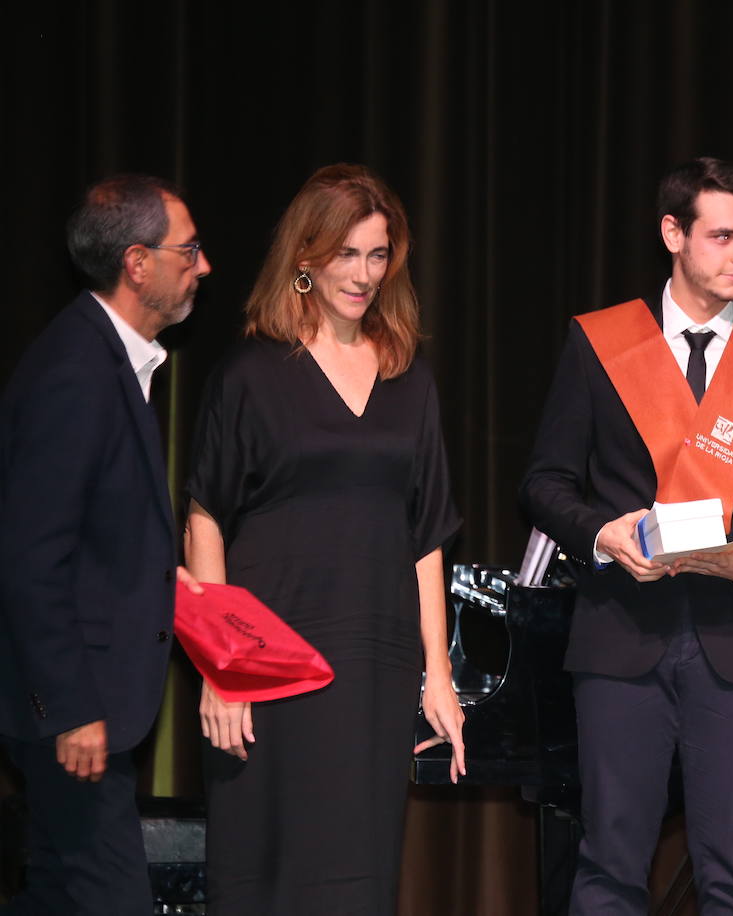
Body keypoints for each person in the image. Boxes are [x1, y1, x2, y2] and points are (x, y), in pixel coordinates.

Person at [520, 156, 733, 914]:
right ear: (673, 233)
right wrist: (603, 534)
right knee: (608, 868)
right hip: (619, 640)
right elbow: (543, 484)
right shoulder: (599, 343)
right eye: (723, 236)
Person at [183, 163, 464, 914]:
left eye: (378, 255)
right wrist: (222, 667)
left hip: (375, 662)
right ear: (304, 258)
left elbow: (427, 534)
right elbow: (205, 517)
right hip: (268, 657)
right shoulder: (251, 371)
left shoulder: (411, 378)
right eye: (346, 254)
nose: (364, 274)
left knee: (356, 878)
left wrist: (437, 673)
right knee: (263, 871)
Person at [0, 175, 210, 915]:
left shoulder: (109, 360)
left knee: (59, 897)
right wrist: (69, 707)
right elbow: (31, 558)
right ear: (136, 263)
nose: (204, 265)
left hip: (78, 708)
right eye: (188, 249)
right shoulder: (78, 371)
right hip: (73, 713)